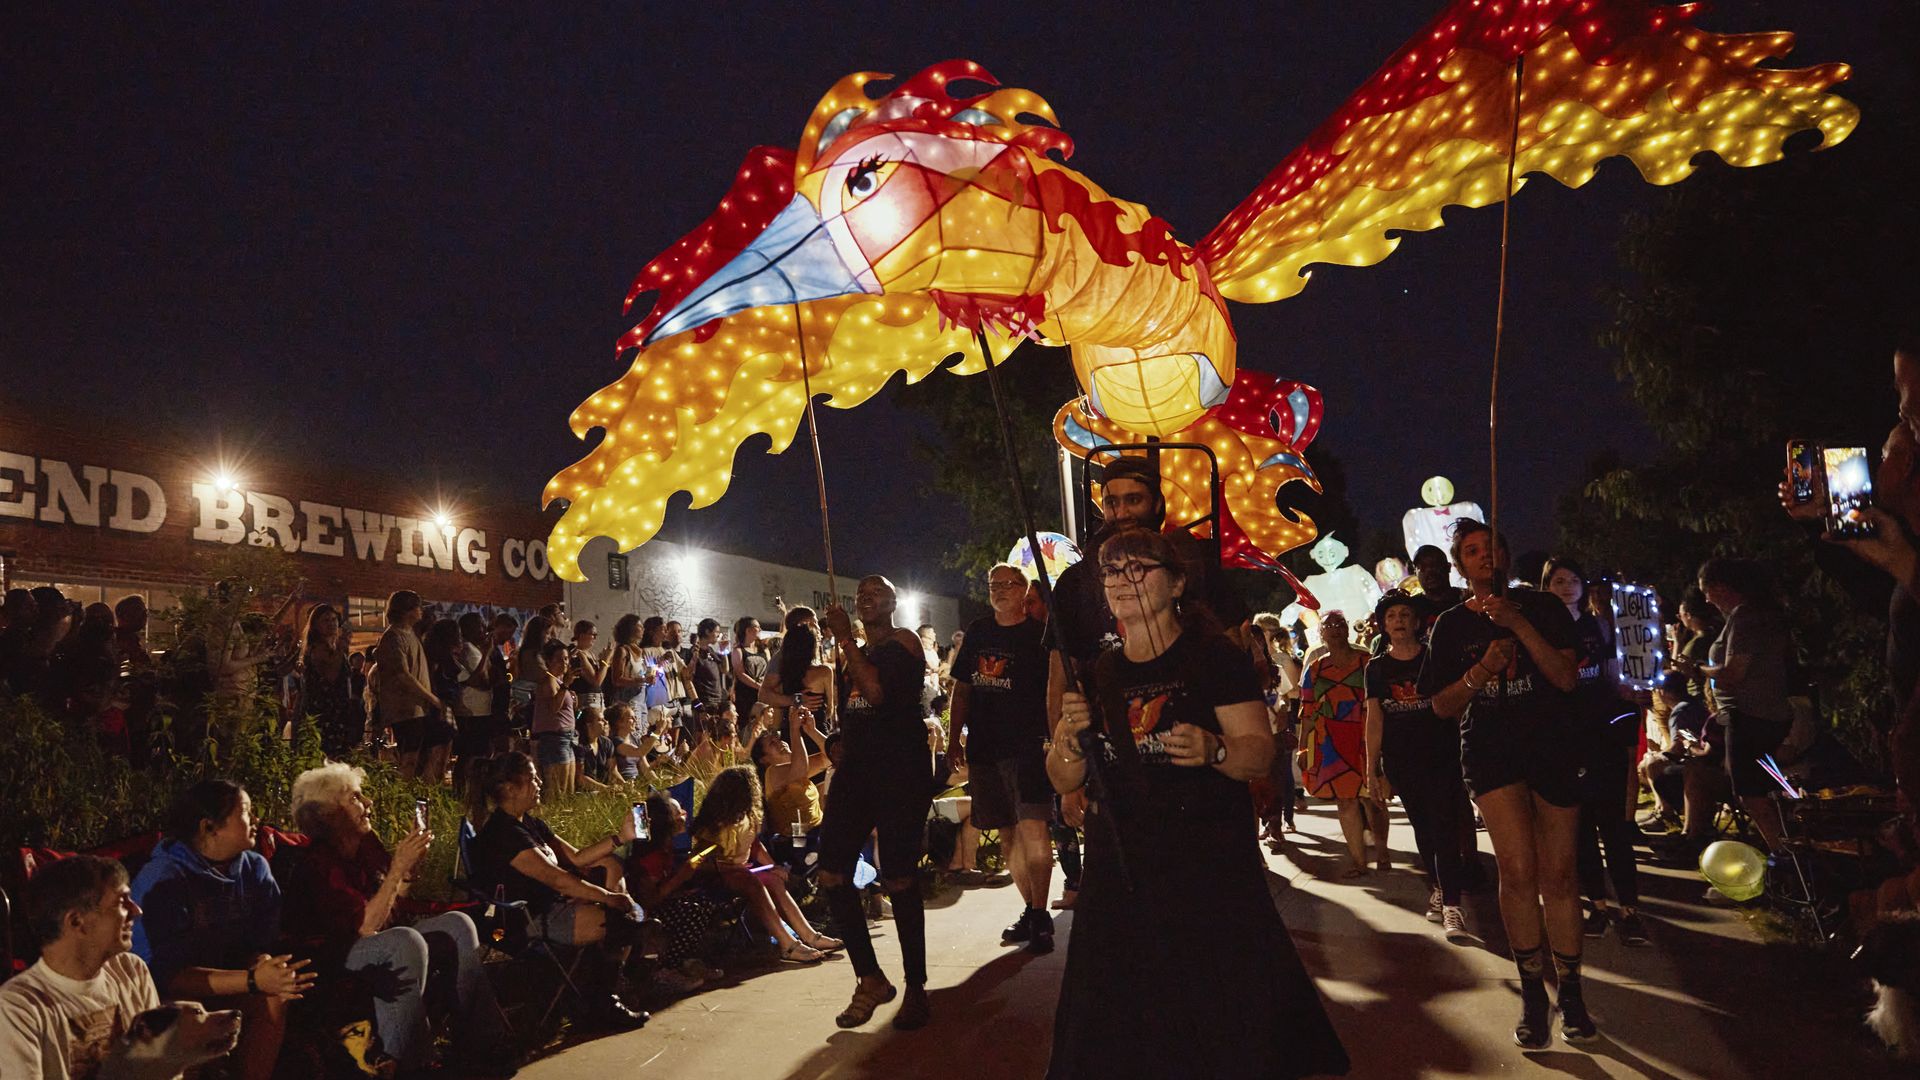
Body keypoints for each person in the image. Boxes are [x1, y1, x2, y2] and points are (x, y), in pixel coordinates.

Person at [1046, 528, 1348, 1078]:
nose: (1123, 581)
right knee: (1122, 1012)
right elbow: (1063, 774)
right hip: (1122, 863)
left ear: (1177, 581)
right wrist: (1068, 739)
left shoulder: (1214, 659)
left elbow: (1258, 754)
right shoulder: (1100, 672)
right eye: (1113, 571)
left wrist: (1215, 749)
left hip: (1204, 860)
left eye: (1139, 567)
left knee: (1217, 1009)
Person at [1420, 520, 1588, 1048]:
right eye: (1471, 551)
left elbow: (1564, 677)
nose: (1483, 556)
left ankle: (1574, 992)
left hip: (1552, 748)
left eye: (1491, 547)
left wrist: (1517, 624)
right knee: (1517, 871)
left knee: (1559, 874)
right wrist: (1480, 672)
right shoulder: (1449, 625)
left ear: (1507, 555)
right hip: (1492, 754)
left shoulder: (1541, 607)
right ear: (1460, 565)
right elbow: (1442, 705)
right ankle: (1533, 993)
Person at [283, 763, 510, 1076]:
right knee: (405, 941)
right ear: (328, 814)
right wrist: (397, 869)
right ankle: (409, 1063)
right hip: (334, 955)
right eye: (355, 798)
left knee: (457, 924)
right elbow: (364, 927)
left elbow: (392, 903)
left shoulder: (365, 843)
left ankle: (485, 1041)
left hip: (371, 940)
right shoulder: (317, 863)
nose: (368, 804)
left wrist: (407, 870)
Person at [128, 781, 311, 1080]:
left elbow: (260, 940)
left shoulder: (253, 869)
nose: (256, 820)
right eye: (246, 812)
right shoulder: (164, 879)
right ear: (209, 827)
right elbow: (163, 975)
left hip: (230, 982)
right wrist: (252, 980)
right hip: (167, 995)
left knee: (276, 996)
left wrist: (261, 963)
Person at [817, 576, 936, 1030]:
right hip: (857, 774)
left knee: (899, 877)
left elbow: (878, 693)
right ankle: (869, 977)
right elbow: (855, 707)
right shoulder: (856, 654)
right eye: (860, 595)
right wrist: (836, 741)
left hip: (899, 775)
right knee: (831, 872)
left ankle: (916, 987)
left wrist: (846, 637)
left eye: (875, 594)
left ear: (893, 602)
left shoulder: (901, 643)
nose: (865, 599)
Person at [465, 752, 649, 1027]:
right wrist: (608, 898)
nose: (539, 782)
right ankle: (601, 1004)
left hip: (553, 904)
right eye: (532, 778)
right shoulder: (503, 834)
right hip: (525, 919)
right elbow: (557, 879)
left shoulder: (529, 823)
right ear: (510, 788)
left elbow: (575, 859)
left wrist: (621, 837)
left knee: (611, 869)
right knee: (620, 923)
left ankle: (599, 991)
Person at [950, 562, 1056, 953]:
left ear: (1023, 590)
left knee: (1034, 831)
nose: (998, 590)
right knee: (1008, 833)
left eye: (1007, 584)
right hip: (984, 749)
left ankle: (1042, 914)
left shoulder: (1039, 637)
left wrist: (1055, 738)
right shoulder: (978, 631)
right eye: (992, 584)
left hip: (1027, 747)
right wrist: (952, 739)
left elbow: (1054, 691)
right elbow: (962, 689)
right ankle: (1030, 909)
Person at [1543, 560, 1649, 945]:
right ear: (1546, 586)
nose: (1567, 587)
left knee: (1615, 828)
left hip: (1603, 736)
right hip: (1564, 741)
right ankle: (1598, 907)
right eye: (1558, 581)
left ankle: (1631, 911)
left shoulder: (1599, 626)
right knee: (1581, 830)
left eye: (1573, 580)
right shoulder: (1538, 629)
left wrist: (1630, 690)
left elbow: (1613, 673)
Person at [0, 855, 175, 1080]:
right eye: (121, 901)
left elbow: (159, 1066)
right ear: (76, 922)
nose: (136, 911)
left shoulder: (130, 972)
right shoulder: (19, 1009)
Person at [1365, 591, 1471, 943]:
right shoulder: (1376, 668)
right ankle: (1440, 886)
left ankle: (1453, 905)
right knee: (1423, 829)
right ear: (1384, 624)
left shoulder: (1434, 658)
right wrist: (1372, 768)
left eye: (1404, 614)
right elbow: (1375, 719)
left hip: (1441, 757)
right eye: (1391, 615)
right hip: (1401, 762)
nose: (1398, 621)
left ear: (1416, 621)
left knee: (1444, 827)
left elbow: (1455, 706)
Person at [1678, 558, 1796, 850]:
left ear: (1722, 588)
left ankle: (1785, 855)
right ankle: (1788, 850)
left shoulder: (1745, 618)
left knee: (1751, 792)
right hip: (1763, 716)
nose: (1706, 599)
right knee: (1760, 788)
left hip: (1750, 717)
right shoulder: (1759, 615)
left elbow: (1733, 673)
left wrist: (1697, 669)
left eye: (1708, 591)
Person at [689, 765, 840, 963]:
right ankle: (787, 945)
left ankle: (809, 936)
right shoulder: (713, 823)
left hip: (743, 871)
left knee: (773, 879)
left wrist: (773, 866)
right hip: (718, 874)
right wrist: (728, 867)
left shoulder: (748, 816)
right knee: (753, 883)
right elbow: (697, 862)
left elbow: (755, 844)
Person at [1297, 611, 1387, 876]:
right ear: (1321, 633)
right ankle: (1359, 862)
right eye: (1329, 625)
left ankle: (1381, 851)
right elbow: (1307, 711)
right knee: (1346, 801)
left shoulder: (1367, 663)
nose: (1335, 629)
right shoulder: (1315, 670)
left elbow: (1381, 704)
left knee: (1374, 799)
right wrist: (1304, 747)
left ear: (1347, 630)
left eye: (1340, 624)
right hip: (1331, 742)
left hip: (1365, 737)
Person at [626, 793, 726, 996]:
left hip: (662, 902)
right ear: (665, 821)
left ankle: (684, 962)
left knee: (703, 901)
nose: (684, 813)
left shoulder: (666, 845)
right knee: (692, 912)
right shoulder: (650, 855)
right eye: (677, 812)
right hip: (642, 914)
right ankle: (663, 970)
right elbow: (649, 900)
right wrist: (681, 877)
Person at [375, 591, 453, 781]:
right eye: (418, 607)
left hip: (418, 708)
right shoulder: (393, 637)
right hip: (405, 708)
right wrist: (433, 699)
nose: (421, 612)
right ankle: (404, 796)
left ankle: (422, 790)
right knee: (409, 757)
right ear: (407, 610)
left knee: (433, 744)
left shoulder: (410, 633)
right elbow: (403, 675)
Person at [531, 639, 580, 797]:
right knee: (557, 790)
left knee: (568, 791)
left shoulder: (559, 680)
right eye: (559, 659)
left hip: (567, 737)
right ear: (549, 661)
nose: (564, 663)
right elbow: (553, 707)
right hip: (554, 738)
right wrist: (565, 686)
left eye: (566, 659)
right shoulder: (549, 679)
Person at [729, 616, 766, 720]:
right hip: (746, 695)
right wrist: (758, 686)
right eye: (757, 627)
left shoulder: (762, 649)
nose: (760, 629)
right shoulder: (738, 651)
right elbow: (740, 674)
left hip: (762, 694)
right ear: (748, 630)